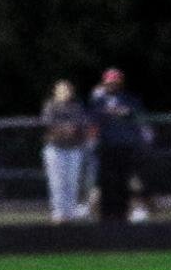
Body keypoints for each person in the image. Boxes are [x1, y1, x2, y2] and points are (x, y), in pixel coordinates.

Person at [88, 69, 152, 224]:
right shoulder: (98, 101)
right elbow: (92, 119)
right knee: (106, 182)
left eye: (115, 82)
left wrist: (124, 112)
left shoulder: (130, 99)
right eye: (109, 82)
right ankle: (106, 216)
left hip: (125, 147)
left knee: (125, 181)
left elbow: (138, 117)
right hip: (106, 147)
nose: (112, 85)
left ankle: (123, 215)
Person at [40, 80, 91, 222]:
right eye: (61, 89)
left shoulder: (76, 107)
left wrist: (70, 129)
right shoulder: (50, 105)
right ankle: (58, 213)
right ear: (56, 91)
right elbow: (48, 124)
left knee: (72, 181)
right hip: (55, 148)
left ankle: (71, 212)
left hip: (73, 148)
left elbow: (81, 125)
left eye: (68, 89)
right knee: (57, 182)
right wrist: (65, 129)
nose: (65, 92)